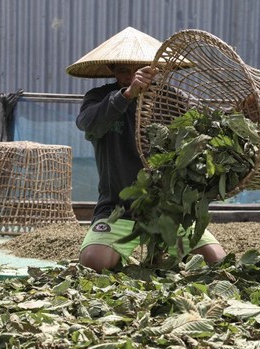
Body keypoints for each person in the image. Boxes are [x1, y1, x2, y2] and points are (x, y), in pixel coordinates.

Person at [66, 27, 226, 273]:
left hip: (170, 210)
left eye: (140, 69)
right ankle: (123, 254)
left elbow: (208, 122)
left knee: (214, 261)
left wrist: (243, 115)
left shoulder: (172, 99)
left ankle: (159, 253)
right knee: (94, 262)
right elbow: (88, 124)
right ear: (112, 71)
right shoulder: (100, 97)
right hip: (118, 208)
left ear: (155, 68)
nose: (133, 76)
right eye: (124, 71)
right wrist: (127, 95)